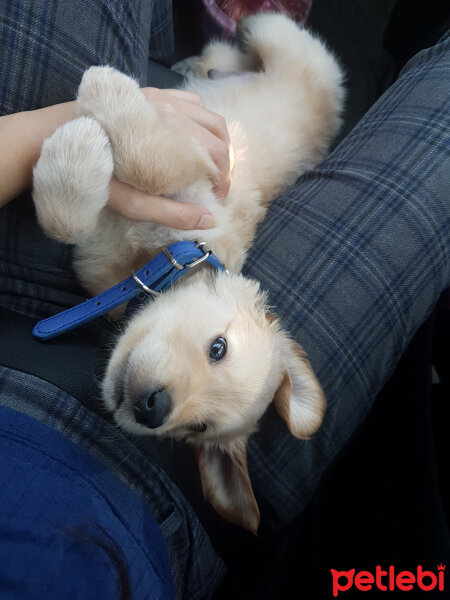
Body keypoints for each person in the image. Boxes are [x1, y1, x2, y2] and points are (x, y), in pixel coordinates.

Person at [0, 1, 449, 598]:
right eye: (216, 351)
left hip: (21, 330)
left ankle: (198, 44)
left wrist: (46, 137)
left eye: (198, 425)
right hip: (157, 500)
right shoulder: (217, 267)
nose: (169, 410)